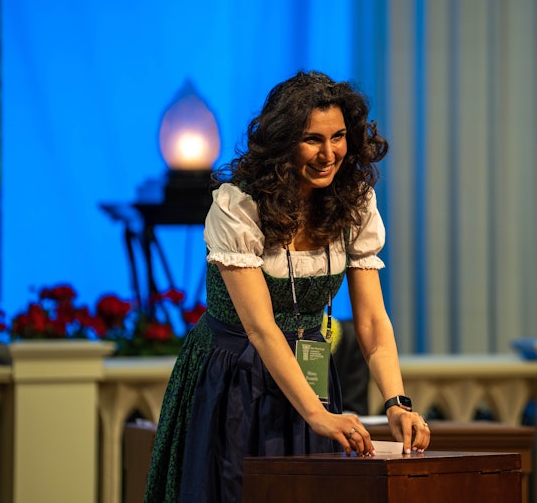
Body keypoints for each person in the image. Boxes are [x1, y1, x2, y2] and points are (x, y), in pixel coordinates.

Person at [145, 70, 430, 502]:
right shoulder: (238, 205)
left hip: (310, 375)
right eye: (312, 139)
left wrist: (397, 401)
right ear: (282, 142)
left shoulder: (354, 202)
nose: (328, 153)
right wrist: (318, 414)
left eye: (338, 137)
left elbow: (372, 319)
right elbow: (261, 328)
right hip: (235, 376)